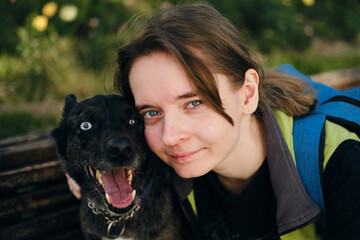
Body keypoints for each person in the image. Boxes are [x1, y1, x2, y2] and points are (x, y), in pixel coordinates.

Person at [68, 3, 360, 239]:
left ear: (247, 94)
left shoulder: (341, 163)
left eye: (194, 103)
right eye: (151, 113)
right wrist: (80, 168)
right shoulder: (168, 166)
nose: (170, 136)